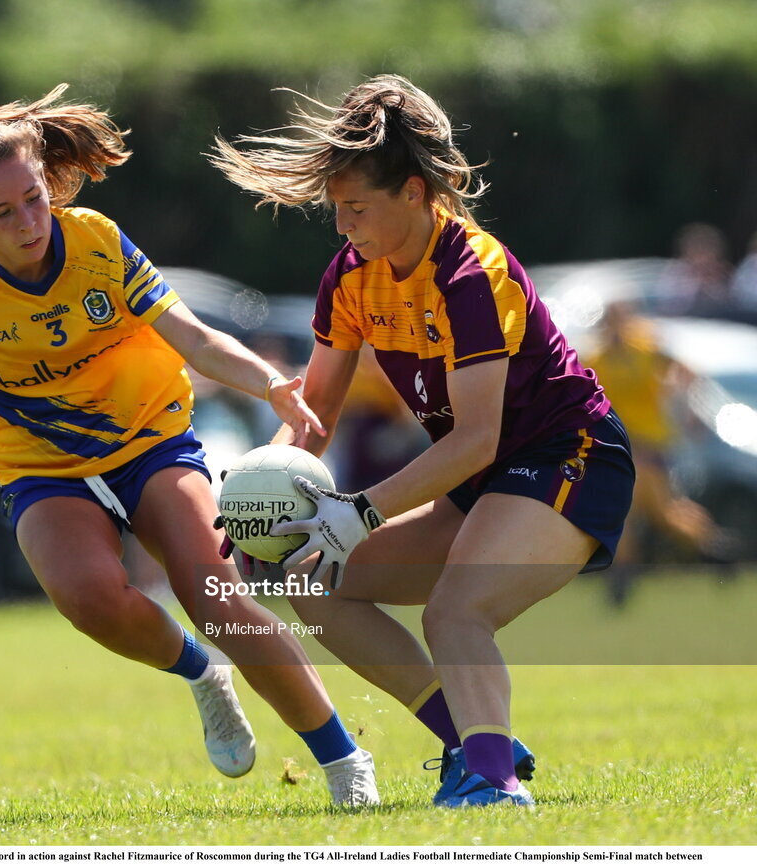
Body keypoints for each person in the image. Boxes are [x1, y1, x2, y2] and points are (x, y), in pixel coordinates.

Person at [0, 84, 379, 808]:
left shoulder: (96, 241)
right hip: (41, 465)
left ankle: (343, 761)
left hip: (150, 436)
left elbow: (193, 337)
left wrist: (269, 384)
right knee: (88, 597)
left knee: (215, 595)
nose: (27, 222)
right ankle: (201, 674)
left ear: (47, 184)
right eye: (2, 212)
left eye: (33, 200)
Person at [211, 74, 635, 807]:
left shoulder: (473, 275)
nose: (342, 226)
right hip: (484, 481)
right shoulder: (349, 277)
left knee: (455, 610)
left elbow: (476, 438)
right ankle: (474, 742)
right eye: (335, 209)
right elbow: (314, 413)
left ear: (414, 192)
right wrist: (261, 498)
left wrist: (360, 511)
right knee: (318, 582)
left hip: (569, 457)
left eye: (355, 208)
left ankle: (495, 785)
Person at [583, 301, 730, 602]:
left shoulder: (647, 348)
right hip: (621, 447)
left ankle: (711, 547)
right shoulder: (596, 358)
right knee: (652, 512)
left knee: (649, 513)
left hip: (650, 444)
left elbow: (687, 371)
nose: (613, 329)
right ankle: (714, 548)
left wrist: (690, 408)